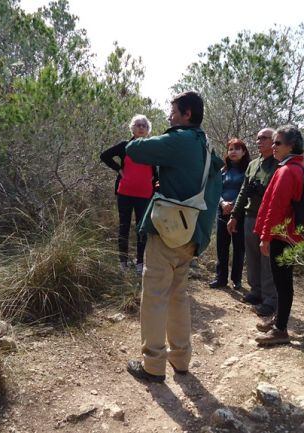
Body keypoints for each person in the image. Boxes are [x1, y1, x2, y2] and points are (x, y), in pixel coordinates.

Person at [124, 91, 223, 382]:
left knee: (154, 295)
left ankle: (153, 365)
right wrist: (202, 235)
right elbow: (214, 189)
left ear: (187, 114)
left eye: (173, 112)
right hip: (191, 233)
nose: (169, 117)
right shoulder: (207, 146)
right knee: (178, 297)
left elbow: (136, 151)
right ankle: (181, 360)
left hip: (166, 233)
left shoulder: (181, 140)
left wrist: (135, 138)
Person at [253, 125, 304, 346]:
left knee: (282, 283)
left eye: (278, 143)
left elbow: (276, 208)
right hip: (289, 235)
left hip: (282, 236)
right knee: (283, 282)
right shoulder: (294, 167)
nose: (273, 147)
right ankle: (279, 320)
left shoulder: (286, 171)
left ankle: (280, 329)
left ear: (290, 146)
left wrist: (265, 236)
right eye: (273, 142)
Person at [228, 128, 278, 317]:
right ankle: (256, 291)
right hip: (249, 216)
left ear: (273, 141)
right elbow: (243, 191)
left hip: (268, 218)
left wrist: (262, 190)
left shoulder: (278, 164)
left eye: (264, 138)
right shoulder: (253, 164)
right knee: (252, 256)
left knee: (267, 258)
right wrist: (234, 215)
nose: (259, 141)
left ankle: (270, 299)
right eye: (257, 138)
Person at [99, 115, 156, 274]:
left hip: (145, 194)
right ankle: (123, 263)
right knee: (124, 227)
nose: (141, 127)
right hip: (125, 193)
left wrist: (155, 181)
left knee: (141, 228)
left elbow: (159, 168)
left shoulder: (152, 148)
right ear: (132, 128)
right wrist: (119, 169)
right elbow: (104, 156)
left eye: (144, 125)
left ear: (148, 130)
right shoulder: (125, 145)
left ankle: (139, 263)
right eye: (138, 125)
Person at [210, 138, 250, 290]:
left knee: (239, 248)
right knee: (222, 247)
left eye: (237, 149)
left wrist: (233, 204)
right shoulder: (223, 170)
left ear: (244, 152)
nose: (233, 152)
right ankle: (220, 279)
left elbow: (245, 192)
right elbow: (216, 190)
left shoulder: (247, 170)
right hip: (222, 211)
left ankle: (237, 279)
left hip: (240, 213)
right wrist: (222, 203)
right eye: (231, 149)